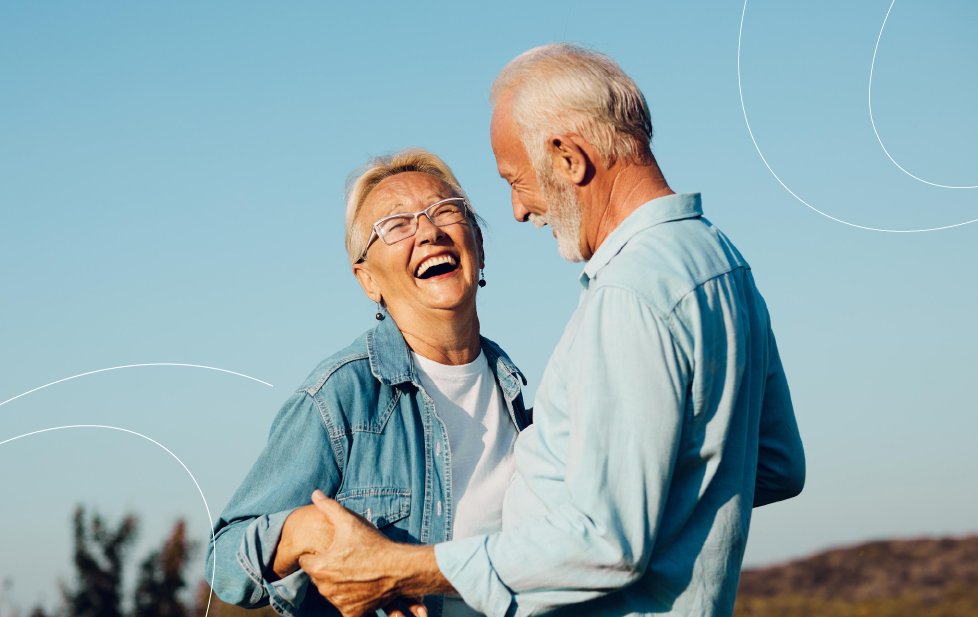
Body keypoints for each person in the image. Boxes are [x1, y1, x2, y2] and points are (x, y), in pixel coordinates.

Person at [298, 43, 807, 617]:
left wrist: (399, 569)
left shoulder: (628, 294)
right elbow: (776, 465)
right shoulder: (721, 260)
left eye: (516, 180)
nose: (518, 209)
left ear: (568, 159)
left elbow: (606, 544)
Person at [204, 149, 532, 617]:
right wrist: (304, 530)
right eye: (396, 225)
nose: (429, 231)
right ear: (368, 280)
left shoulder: (517, 395)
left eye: (445, 210)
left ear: (477, 243)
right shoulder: (340, 395)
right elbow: (224, 559)